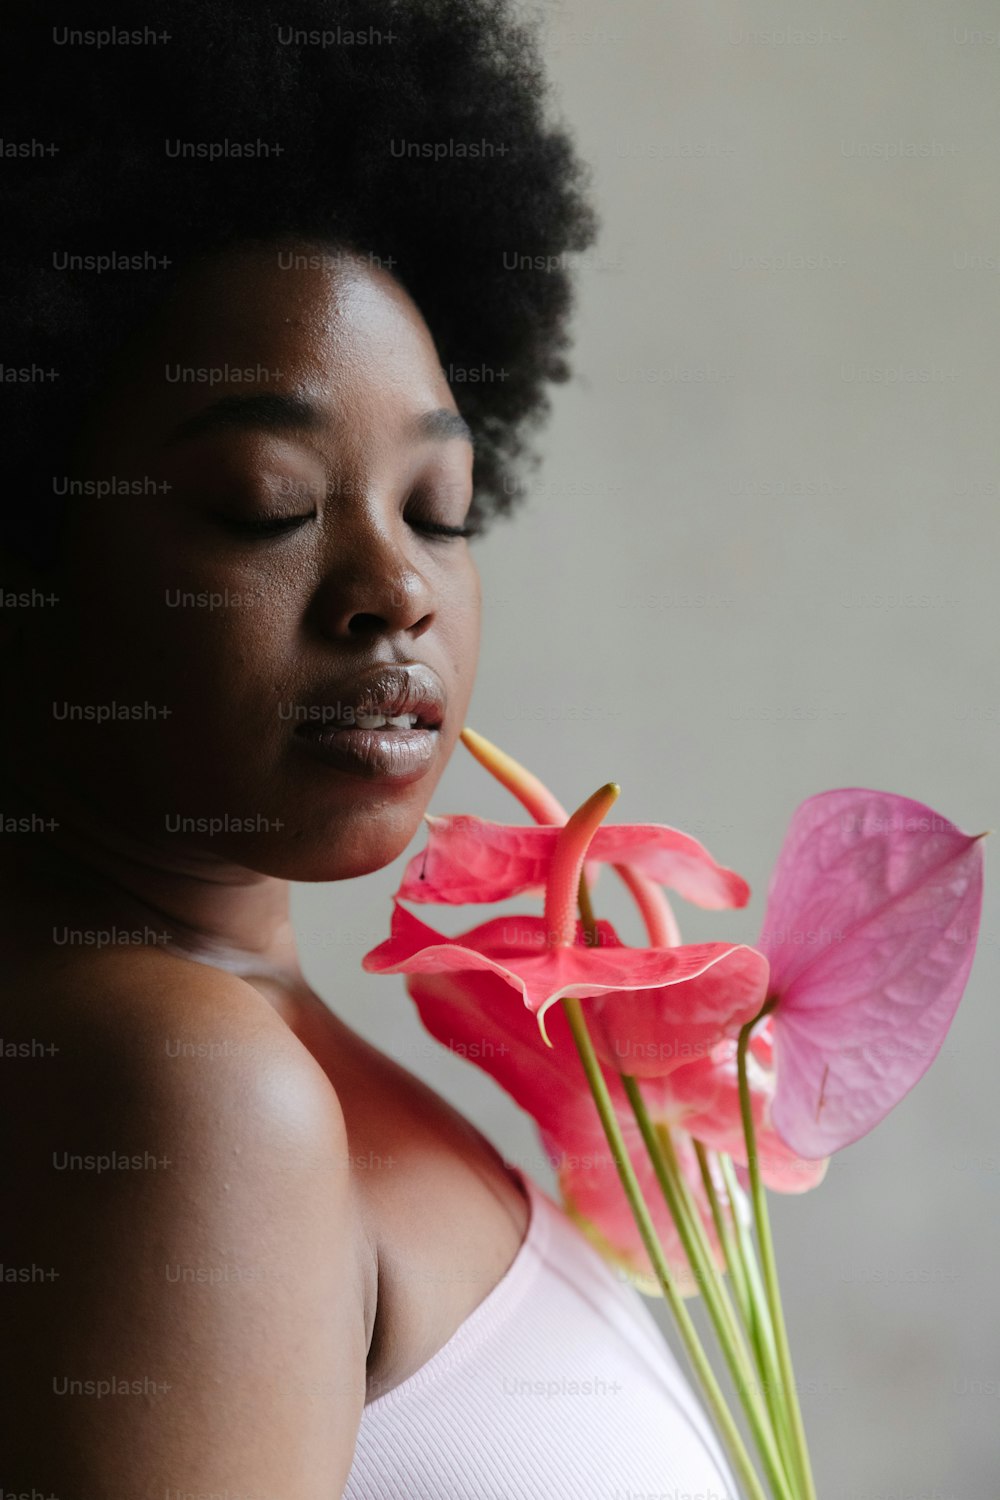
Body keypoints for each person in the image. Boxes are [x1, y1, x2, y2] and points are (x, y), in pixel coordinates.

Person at [0, 2, 739, 1493]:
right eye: (267, 504)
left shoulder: (226, 1049)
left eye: (439, 511)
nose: (396, 590)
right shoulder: (184, 1087)